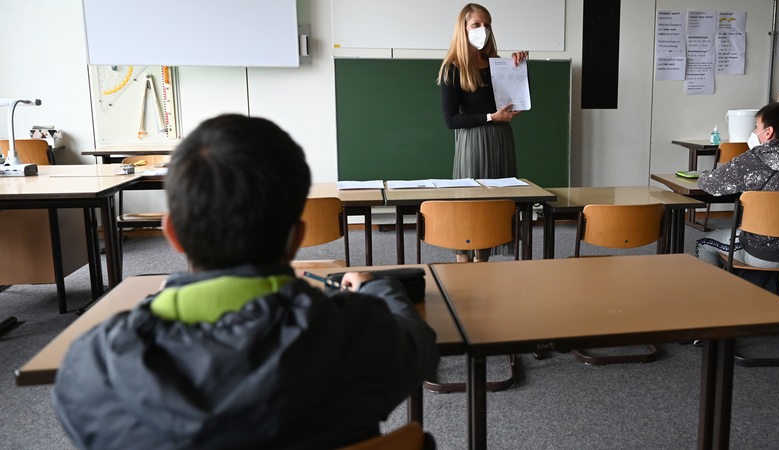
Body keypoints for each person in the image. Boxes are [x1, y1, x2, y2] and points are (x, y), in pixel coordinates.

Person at [52, 114, 439, 449]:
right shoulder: (358, 332)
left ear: (173, 234)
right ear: (297, 237)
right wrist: (377, 286)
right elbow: (419, 346)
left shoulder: (91, 367)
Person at [437, 3, 528, 262]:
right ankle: (463, 266)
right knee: (469, 207)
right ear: (463, 29)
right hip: (473, 143)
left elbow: (515, 102)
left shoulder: (499, 64)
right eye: (476, 25)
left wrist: (518, 68)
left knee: (493, 210)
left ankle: (483, 264)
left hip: (501, 140)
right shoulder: (452, 68)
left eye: (487, 24)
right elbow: (451, 120)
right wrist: (491, 117)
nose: (483, 29)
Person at [695, 102, 779, 283]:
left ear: (768, 132)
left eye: (756, 127)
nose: (753, 132)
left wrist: (703, 176)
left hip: (760, 251)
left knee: (704, 243)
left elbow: (710, 185)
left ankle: (713, 299)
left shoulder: (753, 159)